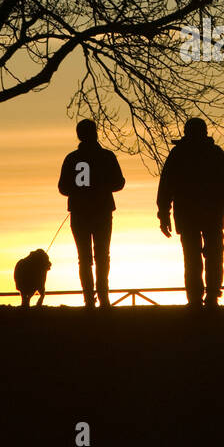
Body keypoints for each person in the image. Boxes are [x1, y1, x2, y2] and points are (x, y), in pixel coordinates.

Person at [156, 118, 224, 308]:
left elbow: (166, 187)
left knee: (192, 256)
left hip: (187, 214)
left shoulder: (178, 154)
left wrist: (164, 214)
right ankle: (211, 296)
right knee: (213, 255)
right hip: (211, 212)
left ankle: (195, 298)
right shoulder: (214, 153)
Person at [58, 119, 126, 308]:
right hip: (102, 211)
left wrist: (79, 191)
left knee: (84, 257)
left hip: (79, 212)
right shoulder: (107, 156)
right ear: (95, 133)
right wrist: (101, 187)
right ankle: (103, 297)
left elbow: (63, 187)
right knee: (102, 255)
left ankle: (89, 298)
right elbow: (119, 183)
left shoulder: (72, 158)